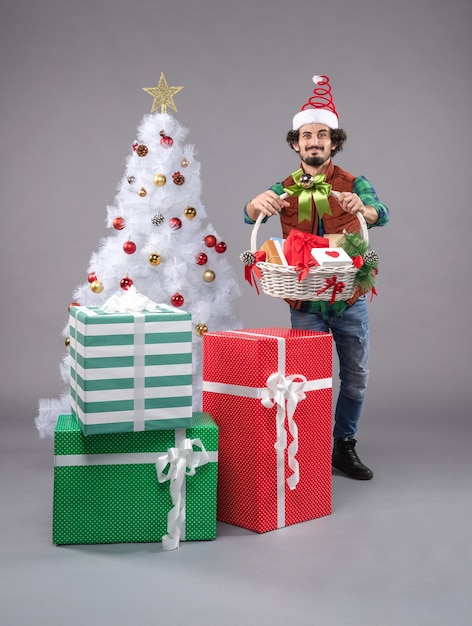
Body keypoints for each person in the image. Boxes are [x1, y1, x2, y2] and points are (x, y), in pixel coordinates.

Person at [244, 75, 389, 480]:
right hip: (304, 302)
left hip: (348, 299)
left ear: (333, 142)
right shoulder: (285, 187)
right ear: (296, 143)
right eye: (306, 135)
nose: (314, 142)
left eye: (322, 135)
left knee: (356, 378)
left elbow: (381, 213)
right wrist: (256, 203)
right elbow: (249, 214)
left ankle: (343, 446)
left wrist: (365, 208)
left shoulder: (352, 183)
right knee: (304, 382)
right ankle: (304, 450)